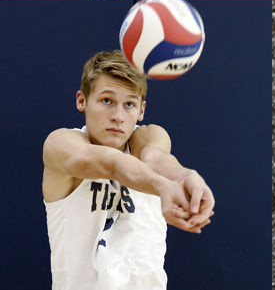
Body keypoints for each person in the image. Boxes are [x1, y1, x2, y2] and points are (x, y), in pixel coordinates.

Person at [43, 50, 215, 289]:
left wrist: (184, 176)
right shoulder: (61, 145)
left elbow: (156, 159)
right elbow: (111, 164)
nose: (118, 116)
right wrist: (163, 186)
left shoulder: (150, 136)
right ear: (82, 100)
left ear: (141, 110)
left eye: (129, 104)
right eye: (107, 101)